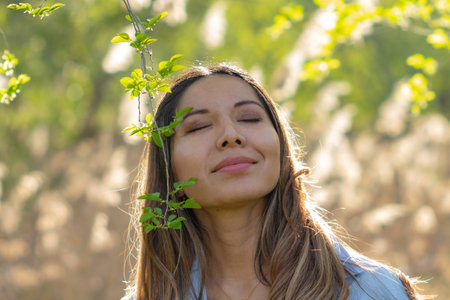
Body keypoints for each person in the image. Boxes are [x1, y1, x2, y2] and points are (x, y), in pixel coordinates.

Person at [123, 64, 429, 300]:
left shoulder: (372, 290)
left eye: (250, 118)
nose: (231, 135)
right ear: (168, 165)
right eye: (200, 126)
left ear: (280, 144)